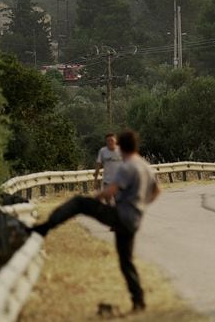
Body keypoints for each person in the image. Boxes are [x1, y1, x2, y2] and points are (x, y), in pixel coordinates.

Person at [32, 129, 160, 312]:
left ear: (121, 147)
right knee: (126, 261)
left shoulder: (128, 166)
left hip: (121, 216)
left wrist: (93, 199)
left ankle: (44, 228)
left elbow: (109, 192)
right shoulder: (145, 165)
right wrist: (141, 206)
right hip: (133, 220)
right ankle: (138, 301)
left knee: (78, 202)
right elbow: (157, 191)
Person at [94, 133, 122, 200]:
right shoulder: (103, 151)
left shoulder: (121, 150)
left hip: (119, 182)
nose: (110, 142)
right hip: (107, 182)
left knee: (119, 202)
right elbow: (98, 165)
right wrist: (95, 181)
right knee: (108, 203)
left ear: (116, 141)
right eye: (108, 141)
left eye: (111, 140)